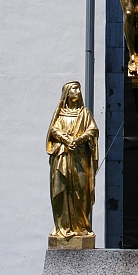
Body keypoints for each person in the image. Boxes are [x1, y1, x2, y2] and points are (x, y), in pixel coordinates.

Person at [46, 81, 99, 239]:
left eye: (79, 88)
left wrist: (80, 139)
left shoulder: (85, 113)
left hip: (79, 158)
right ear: (67, 93)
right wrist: (67, 139)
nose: (78, 91)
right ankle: (63, 226)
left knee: (80, 190)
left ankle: (81, 227)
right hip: (61, 157)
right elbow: (53, 130)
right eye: (74, 88)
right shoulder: (60, 114)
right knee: (61, 190)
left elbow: (93, 129)